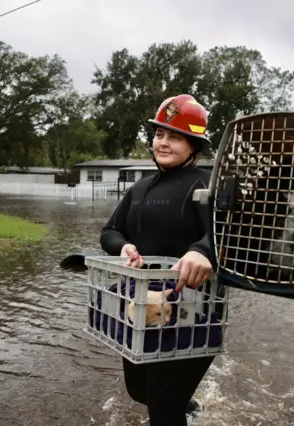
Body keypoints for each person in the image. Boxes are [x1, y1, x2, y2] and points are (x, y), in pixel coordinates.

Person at [99, 94, 216, 426]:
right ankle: (186, 407)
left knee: (163, 409)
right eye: (159, 134)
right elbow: (109, 231)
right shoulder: (140, 188)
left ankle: (176, 406)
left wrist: (202, 250)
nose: (163, 143)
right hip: (141, 307)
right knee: (139, 391)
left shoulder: (207, 186)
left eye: (175, 136)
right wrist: (122, 247)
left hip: (194, 313)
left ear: (194, 144)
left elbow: (231, 237)